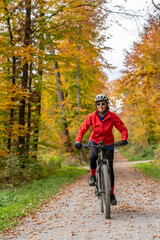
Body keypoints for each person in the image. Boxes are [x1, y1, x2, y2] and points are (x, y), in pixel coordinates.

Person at [74, 94, 128, 205]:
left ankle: (111, 194)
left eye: (103, 103)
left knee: (110, 168)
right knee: (93, 156)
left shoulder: (112, 116)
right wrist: (78, 141)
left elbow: (122, 128)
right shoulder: (91, 116)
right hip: (94, 140)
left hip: (108, 142)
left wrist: (124, 139)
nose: (101, 106)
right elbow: (82, 129)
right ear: (96, 105)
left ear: (106, 104)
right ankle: (93, 176)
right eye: (98, 104)